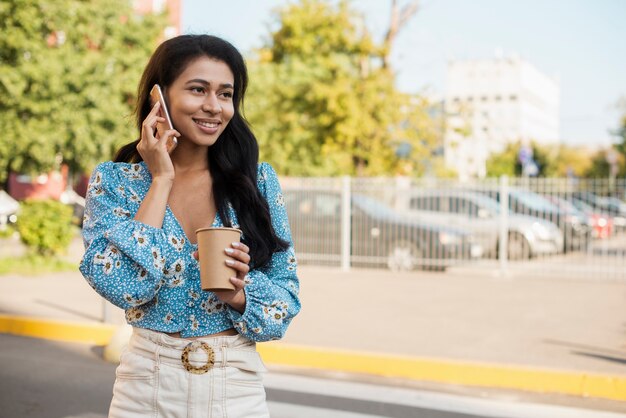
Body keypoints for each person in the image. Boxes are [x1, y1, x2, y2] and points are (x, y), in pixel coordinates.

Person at [79, 34, 300, 417]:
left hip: (236, 388)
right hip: (144, 388)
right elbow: (126, 288)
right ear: (158, 97)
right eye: (198, 90)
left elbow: (285, 305)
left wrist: (239, 292)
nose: (214, 107)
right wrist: (160, 179)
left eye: (226, 94)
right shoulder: (116, 182)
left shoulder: (257, 182)